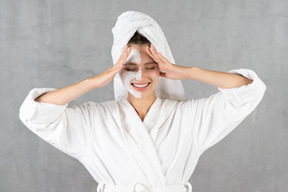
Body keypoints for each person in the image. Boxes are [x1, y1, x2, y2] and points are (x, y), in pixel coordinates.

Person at [19, 11, 266, 192]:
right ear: (117, 70)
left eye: (150, 66)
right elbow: (36, 114)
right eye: (129, 67)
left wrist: (189, 71)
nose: (140, 76)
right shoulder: (94, 120)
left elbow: (249, 91)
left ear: (162, 68)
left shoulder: (189, 118)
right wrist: (92, 82)